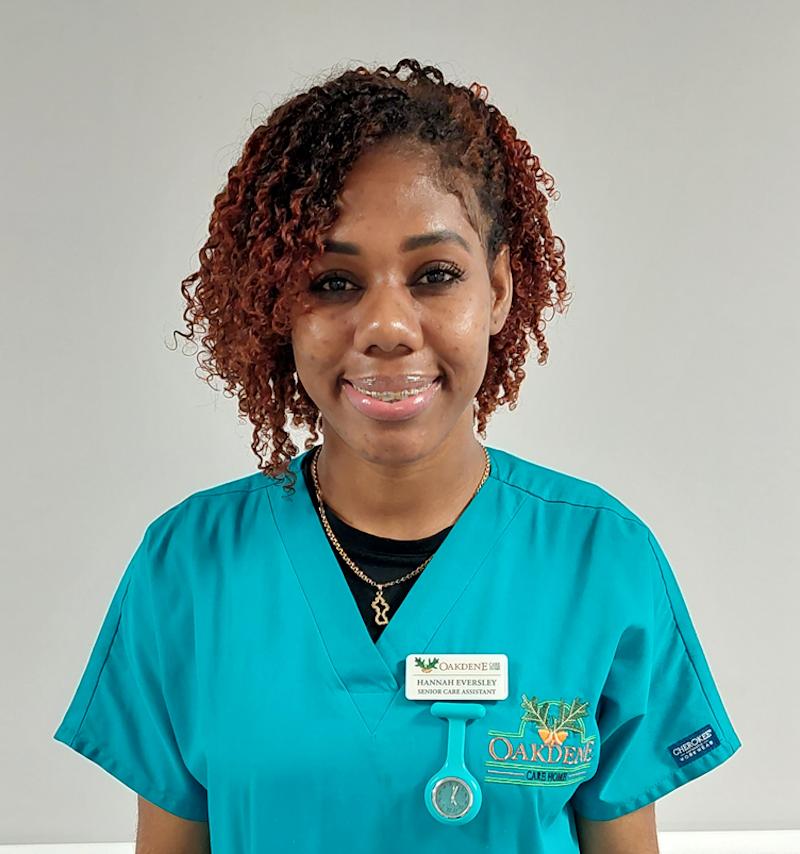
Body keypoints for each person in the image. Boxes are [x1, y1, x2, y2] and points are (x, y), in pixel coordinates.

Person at [53, 58, 741, 853]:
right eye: (335, 282)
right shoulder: (189, 567)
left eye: (436, 275)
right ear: (279, 305)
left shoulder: (603, 561)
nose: (386, 326)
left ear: (500, 289)